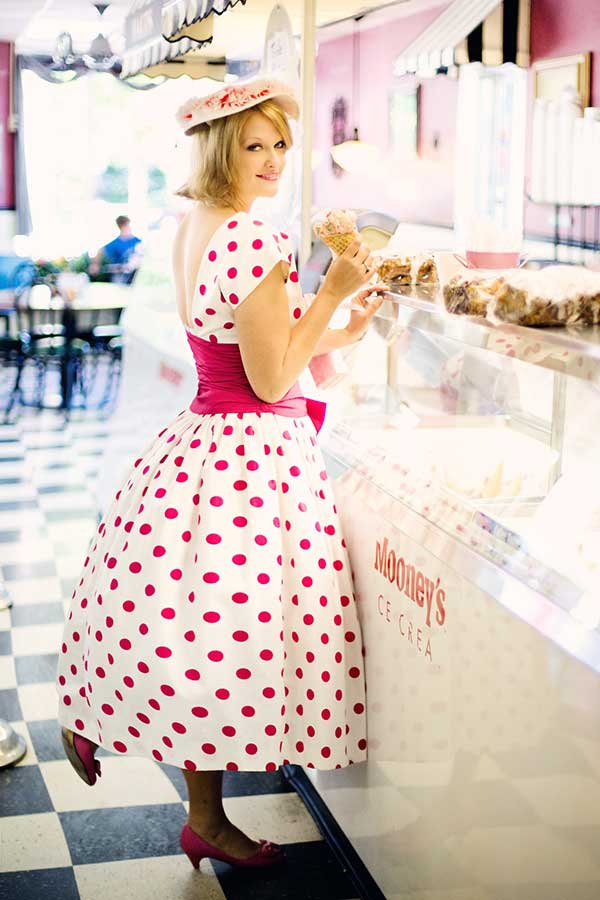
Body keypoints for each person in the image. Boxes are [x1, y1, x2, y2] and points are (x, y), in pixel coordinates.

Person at [56, 77, 385, 872]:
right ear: (218, 150)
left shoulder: (196, 226)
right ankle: (178, 790)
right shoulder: (253, 239)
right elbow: (270, 380)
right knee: (231, 640)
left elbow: (243, 343)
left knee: (197, 630)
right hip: (251, 455)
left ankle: (196, 810)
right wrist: (333, 290)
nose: (273, 160)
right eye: (254, 145)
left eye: (280, 145)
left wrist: (336, 324)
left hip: (205, 441)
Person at [89, 215, 142, 283]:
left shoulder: (138, 241)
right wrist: (95, 264)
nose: (128, 228)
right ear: (121, 226)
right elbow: (100, 251)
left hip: (136, 275)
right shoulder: (115, 243)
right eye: (125, 225)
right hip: (120, 277)